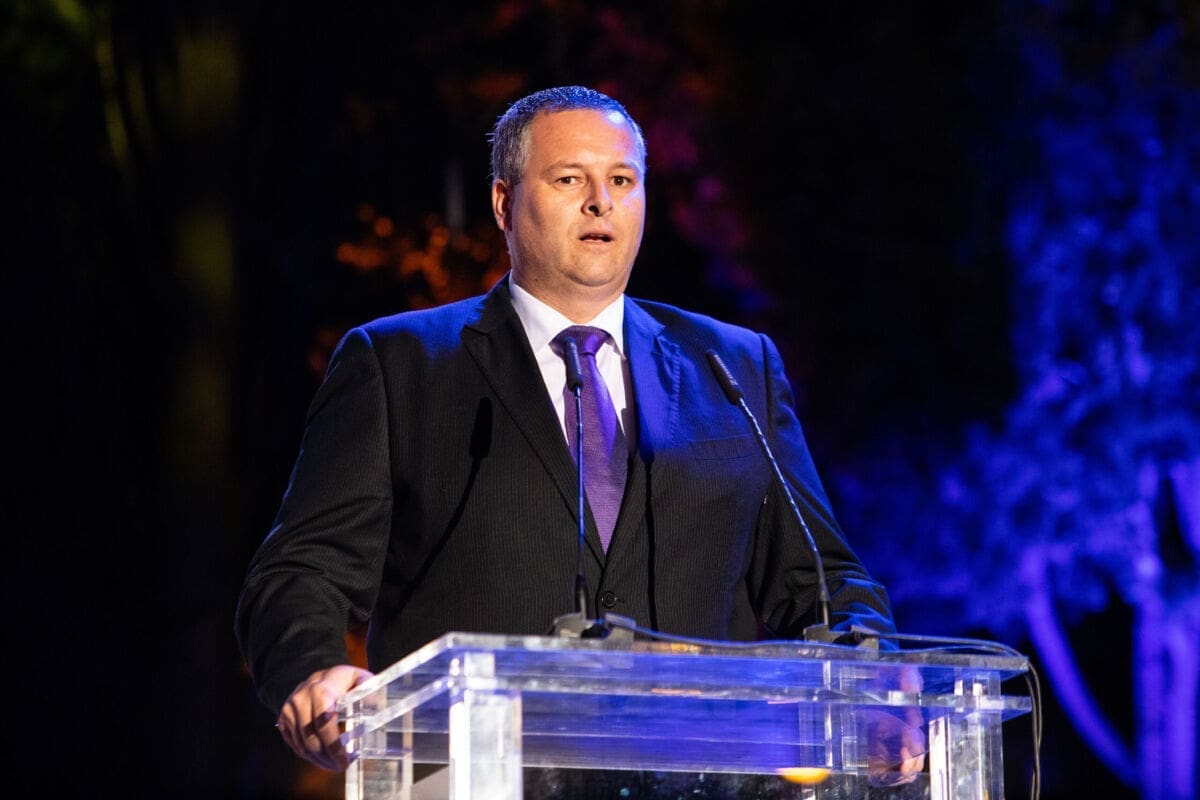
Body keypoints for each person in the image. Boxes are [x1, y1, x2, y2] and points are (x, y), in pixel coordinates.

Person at [235, 85, 914, 785]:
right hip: (477, 780)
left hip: (701, 780)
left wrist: (876, 684)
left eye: (622, 180)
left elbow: (823, 581)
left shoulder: (735, 367)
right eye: (570, 180)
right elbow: (302, 570)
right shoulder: (399, 364)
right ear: (504, 204)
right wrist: (313, 671)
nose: (601, 203)